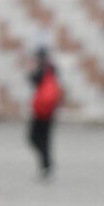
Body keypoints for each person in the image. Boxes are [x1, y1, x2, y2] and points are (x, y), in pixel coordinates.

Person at [29, 48, 62, 180]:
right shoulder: (52, 70)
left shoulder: (41, 71)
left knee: (34, 138)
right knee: (45, 139)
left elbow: (32, 79)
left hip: (40, 111)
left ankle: (46, 162)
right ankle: (47, 163)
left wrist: (31, 68)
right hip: (49, 111)